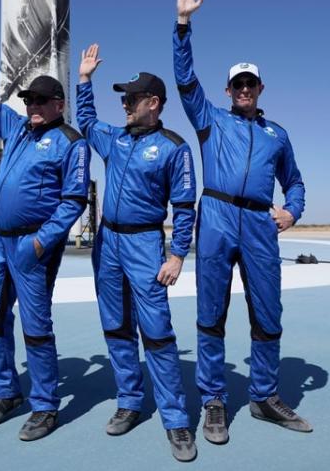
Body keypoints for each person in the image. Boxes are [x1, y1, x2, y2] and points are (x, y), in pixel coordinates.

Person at [172, 0, 311, 443]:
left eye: (250, 83)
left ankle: (264, 396)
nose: (244, 89)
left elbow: (294, 182)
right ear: (228, 89)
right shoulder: (211, 119)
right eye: (237, 83)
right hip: (214, 217)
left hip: (258, 223)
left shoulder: (278, 135)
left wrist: (292, 210)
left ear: (260, 87)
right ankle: (213, 400)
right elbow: (185, 80)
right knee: (211, 313)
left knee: (267, 312)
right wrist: (183, 24)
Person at [0, 39, 89, 441]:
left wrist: (42, 242)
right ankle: (4, 392)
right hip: (1, 243)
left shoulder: (71, 141)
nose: (32, 105)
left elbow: (74, 200)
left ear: (59, 104)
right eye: (29, 99)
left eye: (40, 100)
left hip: (33, 246)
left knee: (36, 326)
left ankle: (46, 406)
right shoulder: (16, 129)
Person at [75, 44, 198, 462]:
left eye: (130, 99)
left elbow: (184, 207)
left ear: (153, 103)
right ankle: (129, 400)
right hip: (107, 242)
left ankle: (177, 419)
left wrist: (178, 254)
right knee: (115, 325)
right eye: (123, 99)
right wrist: (84, 81)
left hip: (146, 244)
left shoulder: (173, 147)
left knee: (157, 332)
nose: (124, 105)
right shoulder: (114, 139)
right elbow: (88, 122)